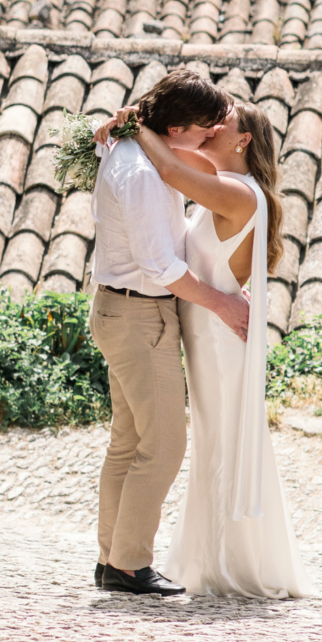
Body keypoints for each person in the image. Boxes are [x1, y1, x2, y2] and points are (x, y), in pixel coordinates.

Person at [97, 98, 311, 599]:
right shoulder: (224, 182)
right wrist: (112, 129)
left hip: (217, 338)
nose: (212, 128)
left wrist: (135, 123)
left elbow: (168, 165)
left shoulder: (237, 193)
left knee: (219, 442)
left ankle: (231, 560)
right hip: (202, 329)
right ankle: (150, 557)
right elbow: (173, 155)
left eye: (225, 123)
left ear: (242, 141)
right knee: (202, 441)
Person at [89, 68, 250, 598]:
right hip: (140, 315)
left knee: (129, 441)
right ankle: (130, 565)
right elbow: (159, 265)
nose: (209, 140)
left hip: (123, 311)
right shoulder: (139, 173)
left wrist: (120, 124)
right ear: (178, 129)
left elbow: (115, 142)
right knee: (163, 445)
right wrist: (222, 302)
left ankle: (113, 558)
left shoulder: (133, 150)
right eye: (204, 130)